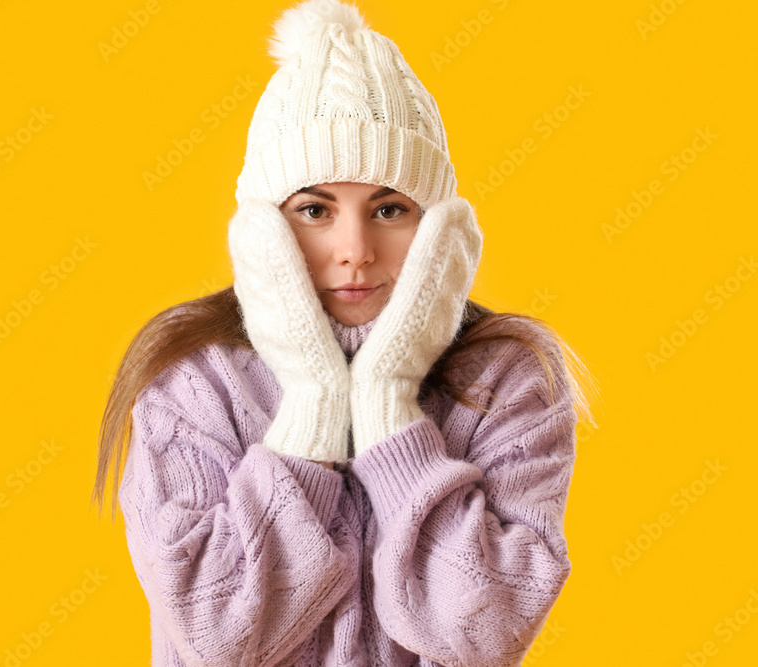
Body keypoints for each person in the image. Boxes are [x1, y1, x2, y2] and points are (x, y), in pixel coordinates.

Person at [92, 1, 597, 665]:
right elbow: (217, 633)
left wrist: (388, 403)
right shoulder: (194, 378)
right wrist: (312, 410)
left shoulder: (504, 378)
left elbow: (484, 631)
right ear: (263, 228)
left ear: (439, 228)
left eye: (389, 208)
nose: (354, 249)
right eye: (314, 209)